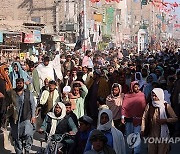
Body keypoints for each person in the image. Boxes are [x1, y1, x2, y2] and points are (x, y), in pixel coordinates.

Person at [141, 88, 178, 154]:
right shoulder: (149, 105)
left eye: (155, 96)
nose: (154, 97)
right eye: (152, 95)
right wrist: (142, 129)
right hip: (152, 133)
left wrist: (165, 120)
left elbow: (175, 118)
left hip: (163, 134)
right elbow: (144, 118)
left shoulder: (166, 106)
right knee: (151, 151)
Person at [4, 78, 36, 154]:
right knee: (16, 137)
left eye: (21, 83)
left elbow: (32, 104)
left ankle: (27, 149)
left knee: (28, 134)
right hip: (14, 119)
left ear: (23, 84)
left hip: (26, 117)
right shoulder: (11, 93)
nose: (19, 85)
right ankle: (19, 151)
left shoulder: (28, 93)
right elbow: (6, 103)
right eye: (18, 83)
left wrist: (33, 116)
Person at [122, 81, 146, 154]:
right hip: (129, 119)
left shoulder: (142, 95)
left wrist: (144, 119)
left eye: (138, 86)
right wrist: (123, 117)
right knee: (129, 136)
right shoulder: (127, 96)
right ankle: (130, 151)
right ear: (132, 87)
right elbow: (124, 107)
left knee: (137, 136)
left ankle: (136, 152)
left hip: (138, 119)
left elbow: (144, 107)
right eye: (135, 87)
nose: (137, 88)